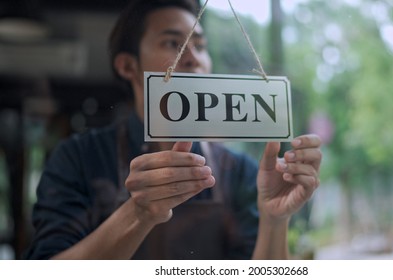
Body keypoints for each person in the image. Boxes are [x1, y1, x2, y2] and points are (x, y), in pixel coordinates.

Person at [24, 0, 322, 260]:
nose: (193, 58)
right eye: (173, 43)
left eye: (201, 45)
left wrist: (274, 220)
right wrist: (138, 213)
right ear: (128, 66)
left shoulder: (242, 170)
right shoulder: (78, 158)